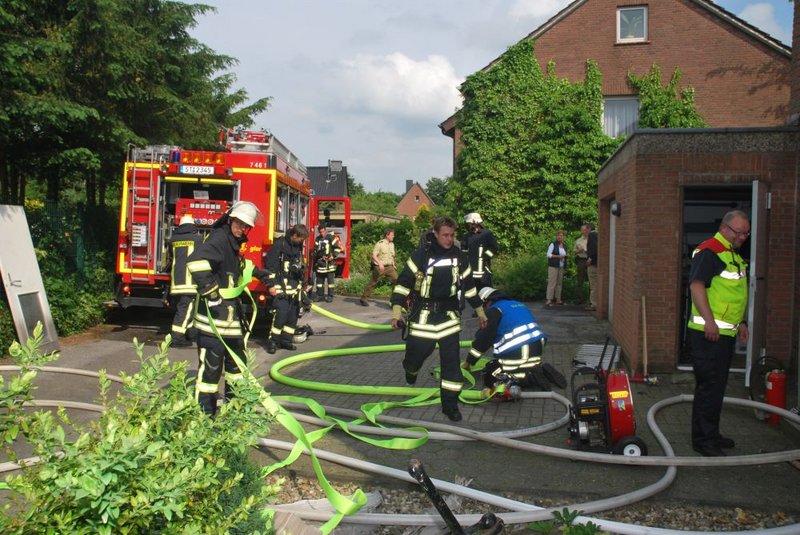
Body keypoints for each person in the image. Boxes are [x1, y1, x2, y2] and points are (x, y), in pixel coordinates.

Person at [390, 216, 488, 422]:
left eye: (452, 235)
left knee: (451, 365)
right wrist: (396, 312)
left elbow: (470, 288)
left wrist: (480, 311)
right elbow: (403, 284)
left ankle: (450, 405)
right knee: (415, 356)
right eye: (445, 235)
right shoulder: (421, 255)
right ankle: (411, 370)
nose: (449, 239)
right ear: (435, 234)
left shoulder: (459, 257)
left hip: (449, 317)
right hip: (423, 317)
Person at [187, 201, 261, 416]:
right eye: (239, 224)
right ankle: (205, 417)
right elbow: (195, 262)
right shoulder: (219, 238)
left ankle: (232, 413)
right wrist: (211, 291)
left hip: (229, 324)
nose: (242, 229)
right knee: (210, 375)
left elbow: (237, 268)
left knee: (236, 370)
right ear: (230, 220)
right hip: (213, 326)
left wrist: (264, 275)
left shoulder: (232, 243)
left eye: (246, 226)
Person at [687, 210, 750, 457]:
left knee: (716, 387)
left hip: (723, 335)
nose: (742, 237)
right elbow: (696, 286)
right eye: (739, 232)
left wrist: (741, 322)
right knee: (709, 387)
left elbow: (732, 294)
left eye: (746, 233)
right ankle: (704, 441)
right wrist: (710, 322)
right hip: (708, 335)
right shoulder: (710, 252)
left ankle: (711, 434)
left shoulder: (730, 253)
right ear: (724, 228)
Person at [464, 287, 566, 392]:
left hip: (519, 350)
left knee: (491, 374)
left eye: (482, 307)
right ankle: (540, 371)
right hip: (537, 347)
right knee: (519, 366)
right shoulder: (516, 304)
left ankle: (530, 379)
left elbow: (482, 341)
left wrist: (468, 363)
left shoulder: (494, 310)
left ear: (486, 302)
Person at [263, 223, 310, 354]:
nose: (302, 241)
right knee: (280, 316)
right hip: (281, 287)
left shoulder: (297, 246)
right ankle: (273, 342)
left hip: (295, 288)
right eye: (301, 239)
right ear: (294, 235)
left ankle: (286, 341)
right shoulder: (280, 245)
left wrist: (304, 282)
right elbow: (269, 266)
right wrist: (271, 285)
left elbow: (299, 265)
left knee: (292, 317)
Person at [168, 213, 203, 347]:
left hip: (176, 282)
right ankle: (177, 338)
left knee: (189, 310)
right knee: (185, 311)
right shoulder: (198, 239)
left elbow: (171, 256)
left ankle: (190, 334)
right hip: (190, 283)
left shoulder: (172, 240)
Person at [359, 228, 398, 306]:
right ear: (387, 235)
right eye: (392, 235)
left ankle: (394, 301)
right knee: (373, 282)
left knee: (397, 281)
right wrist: (380, 264)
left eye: (393, 235)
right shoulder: (380, 244)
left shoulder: (392, 244)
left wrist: (393, 264)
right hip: (379, 267)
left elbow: (391, 256)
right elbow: (374, 256)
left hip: (390, 267)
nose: (393, 236)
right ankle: (364, 299)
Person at [461, 212, 499, 291]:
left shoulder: (487, 234)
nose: (468, 225)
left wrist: (484, 257)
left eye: (469, 223)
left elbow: (494, 248)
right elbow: (463, 250)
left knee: (486, 292)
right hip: (471, 272)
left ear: (474, 223)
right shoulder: (467, 236)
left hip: (484, 271)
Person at [312, 224, 341, 302]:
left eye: (323, 231)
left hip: (330, 264)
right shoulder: (317, 239)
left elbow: (337, 248)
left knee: (330, 282)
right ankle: (319, 295)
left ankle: (330, 296)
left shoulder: (331, 237)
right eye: (320, 232)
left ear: (325, 230)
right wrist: (321, 256)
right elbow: (315, 250)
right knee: (319, 282)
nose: (322, 233)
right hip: (321, 264)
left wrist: (333, 256)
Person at [545, 230, 567, 306]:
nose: (560, 237)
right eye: (558, 235)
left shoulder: (564, 245)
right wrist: (558, 256)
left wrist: (566, 256)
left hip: (561, 266)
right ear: (556, 236)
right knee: (552, 282)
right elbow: (548, 254)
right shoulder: (553, 244)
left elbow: (564, 255)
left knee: (559, 283)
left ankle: (558, 299)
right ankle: (549, 299)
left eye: (561, 235)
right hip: (553, 266)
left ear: (564, 237)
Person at [573, 224, 590, 305]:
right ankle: (579, 299)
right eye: (583, 230)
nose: (584, 231)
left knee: (591, 280)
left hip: (589, 260)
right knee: (580, 280)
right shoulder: (578, 240)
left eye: (586, 230)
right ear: (581, 231)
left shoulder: (591, 239)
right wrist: (579, 250)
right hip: (581, 260)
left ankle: (591, 300)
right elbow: (574, 251)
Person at [585, 224, 598, 311]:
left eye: (586, 229)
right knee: (595, 284)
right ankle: (594, 303)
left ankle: (594, 304)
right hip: (597, 263)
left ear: (589, 228)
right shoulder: (597, 234)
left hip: (593, 264)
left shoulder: (592, 235)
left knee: (593, 285)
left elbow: (594, 248)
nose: (585, 231)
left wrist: (590, 258)